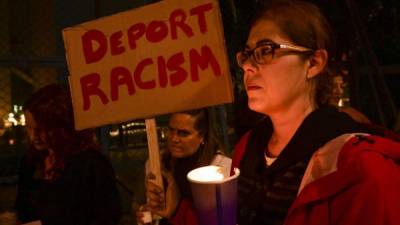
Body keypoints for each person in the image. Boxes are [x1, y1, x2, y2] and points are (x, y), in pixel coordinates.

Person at [231, 1, 400, 225]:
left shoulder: (360, 169)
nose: (247, 66)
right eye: (247, 54)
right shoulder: (246, 148)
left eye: (265, 50)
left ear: (313, 63)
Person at [15, 84, 121, 225]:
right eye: (29, 127)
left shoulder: (91, 165)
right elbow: (23, 208)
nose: (34, 135)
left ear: (62, 126)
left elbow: (107, 216)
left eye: (42, 128)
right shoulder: (31, 161)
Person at [136, 108, 224, 225]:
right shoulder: (157, 163)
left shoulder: (220, 168)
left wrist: (177, 208)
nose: (174, 139)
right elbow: (142, 206)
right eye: (171, 130)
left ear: (202, 136)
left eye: (183, 133)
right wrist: (147, 215)